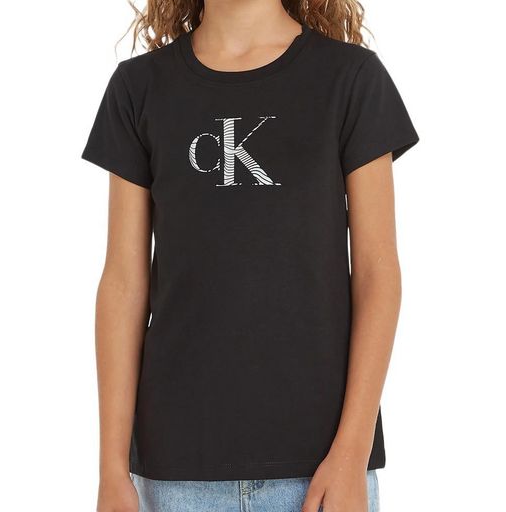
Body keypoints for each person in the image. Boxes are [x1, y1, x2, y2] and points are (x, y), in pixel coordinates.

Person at [82, 0, 419, 510]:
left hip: (323, 469)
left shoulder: (351, 79)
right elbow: (123, 284)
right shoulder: (138, 87)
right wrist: (111, 469)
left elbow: (378, 272)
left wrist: (352, 453)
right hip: (177, 473)